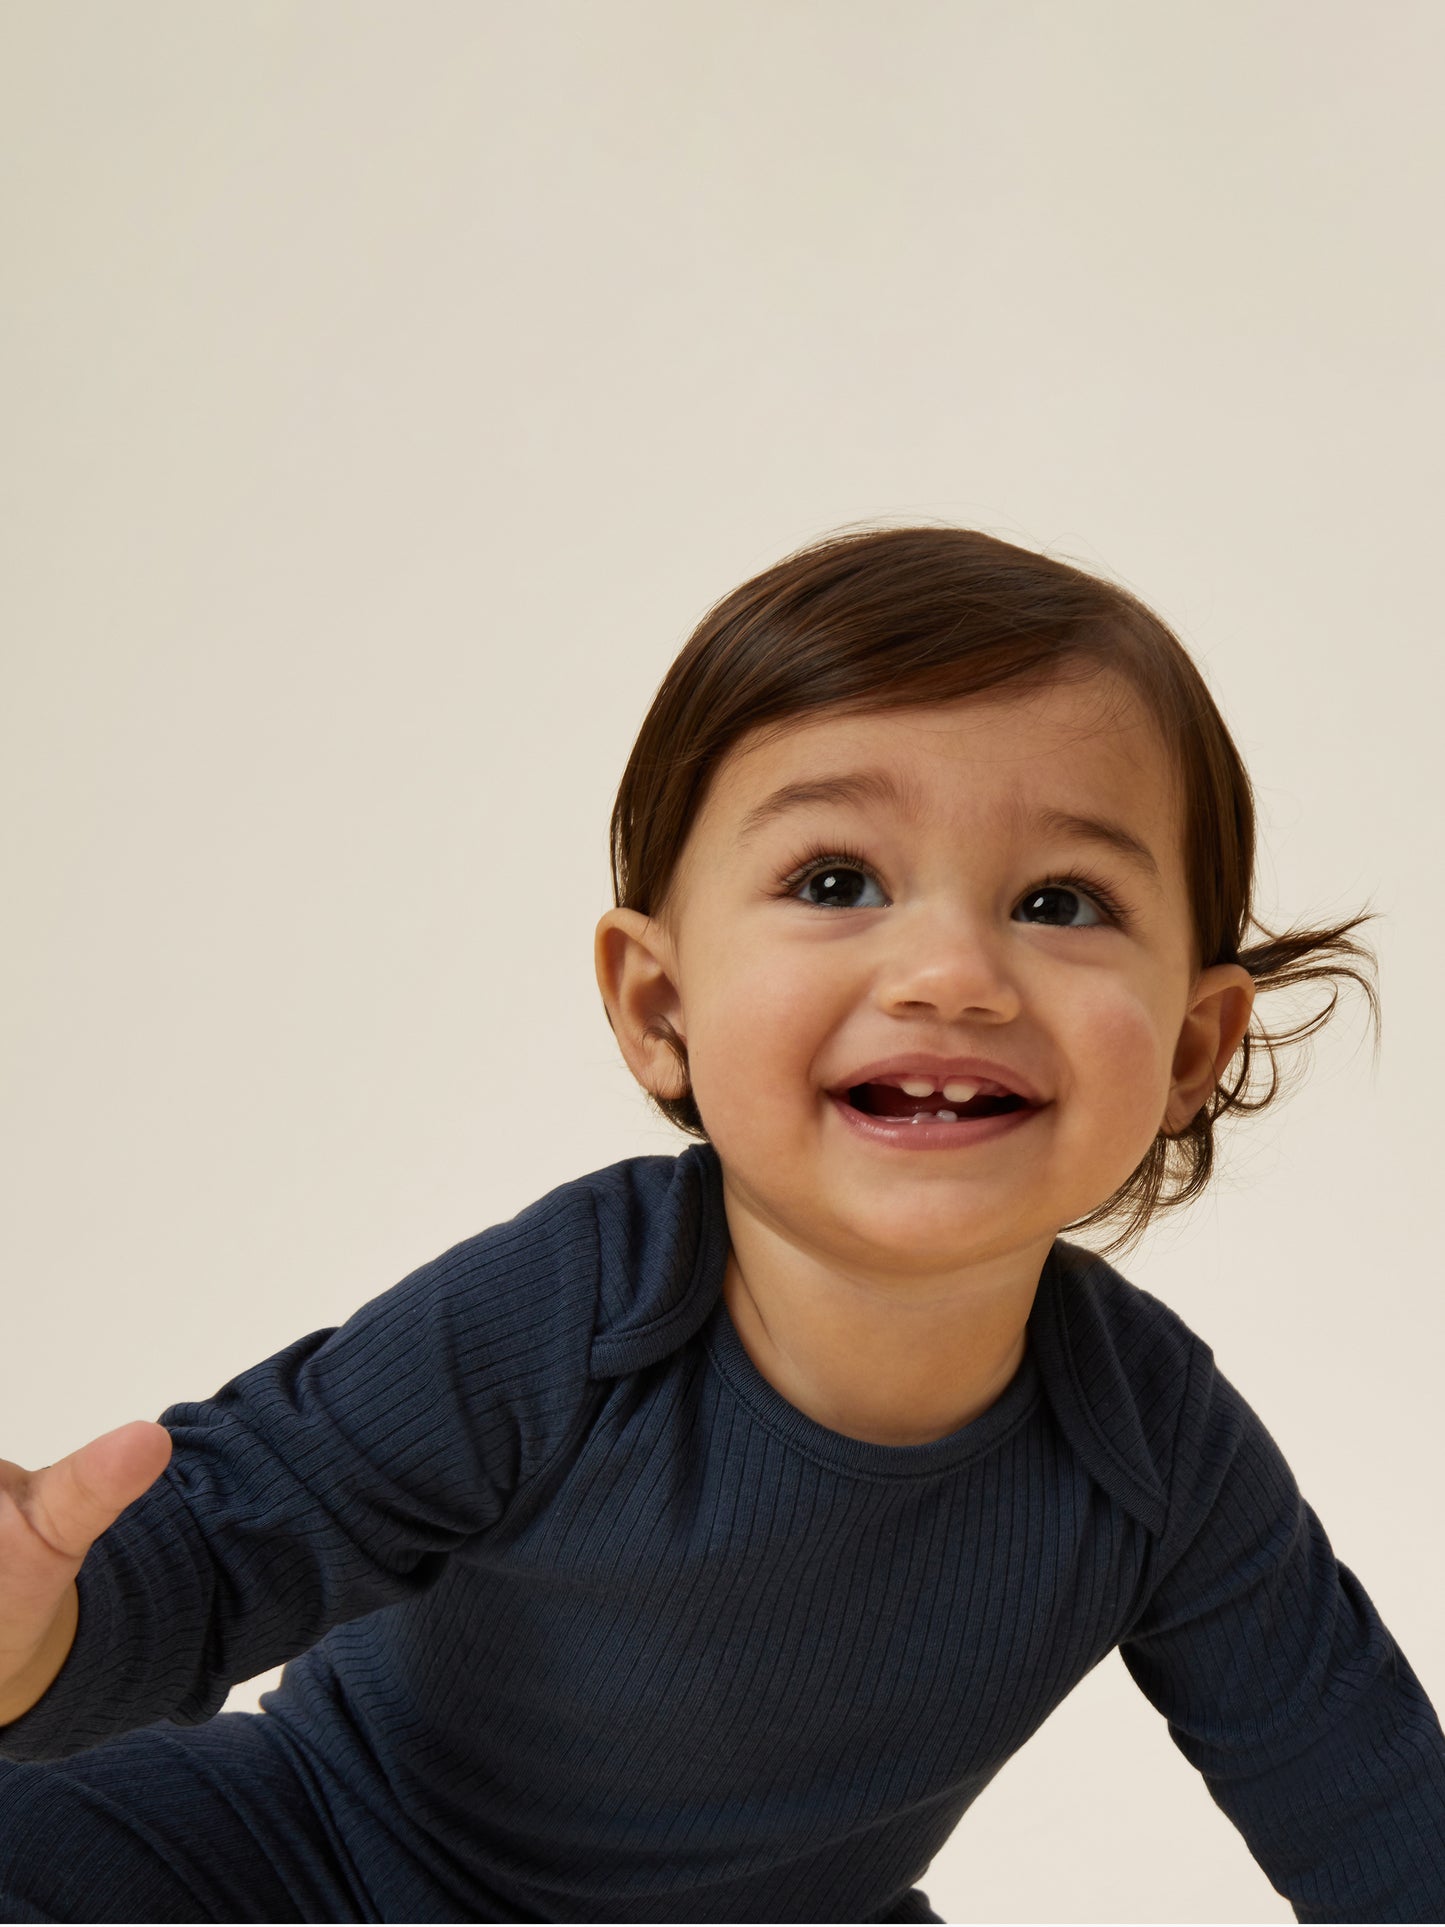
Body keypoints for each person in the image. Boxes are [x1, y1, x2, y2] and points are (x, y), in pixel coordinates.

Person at [1, 524, 1441, 1924]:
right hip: (318, 1859)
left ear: (1191, 1049)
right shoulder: (572, 1309)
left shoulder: (1155, 1451)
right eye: (835, 883)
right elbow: (216, 1548)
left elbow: (1376, 1816)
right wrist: (33, 1627)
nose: (951, 973)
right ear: (659, 1006)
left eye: (1059, 901)